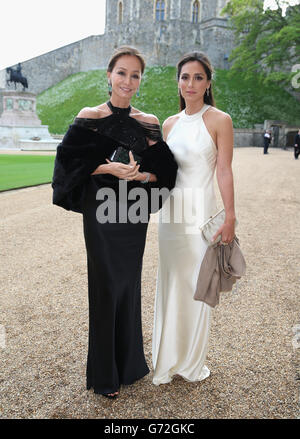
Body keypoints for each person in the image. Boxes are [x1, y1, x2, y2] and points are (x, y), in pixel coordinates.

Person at [52, 46, 178, 398]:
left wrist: (143, 176)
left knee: (128, 284)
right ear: (109, 75)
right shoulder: (89, 116)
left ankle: (130, 365)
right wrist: (109, 167)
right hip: (101, 209)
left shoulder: (148, 122)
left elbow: (167, 173)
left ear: (140, 81)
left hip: (133, 210)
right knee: (106, 284)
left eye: (135, 75)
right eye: (121, 72)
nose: (127, 80)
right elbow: (66, 168)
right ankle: (105, 375)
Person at [152, 52, 236, 386]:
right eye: (185, 77)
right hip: (171, 217)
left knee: (197, 287)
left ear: (208, 82)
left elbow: (225, 171)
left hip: (199, 216)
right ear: (178, 81)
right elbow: (163, 173)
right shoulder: (169, 124)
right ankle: (167, 359)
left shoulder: (219, 120)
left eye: (198, 77)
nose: (191, 84)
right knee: (171, 283)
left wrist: (229, 217)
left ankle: (190, 362)